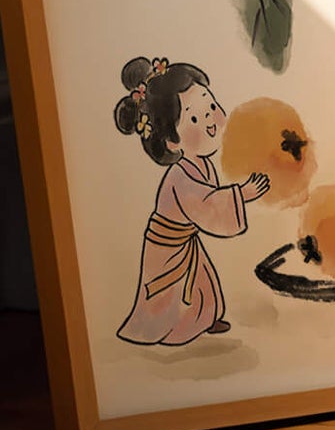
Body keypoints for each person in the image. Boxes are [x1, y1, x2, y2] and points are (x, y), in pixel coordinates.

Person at [112, 56, 268, 345]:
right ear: (173, 141)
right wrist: (241, 194)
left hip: (184, 241)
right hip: (167, 248)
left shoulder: (200, 164)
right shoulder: (179, 177)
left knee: (200, 282)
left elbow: (207, 202)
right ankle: (169, 330)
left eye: (210, 106)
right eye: (195, 117)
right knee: (168, 294)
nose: (211, 119)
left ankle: (205, 318)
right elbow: (206, 205)